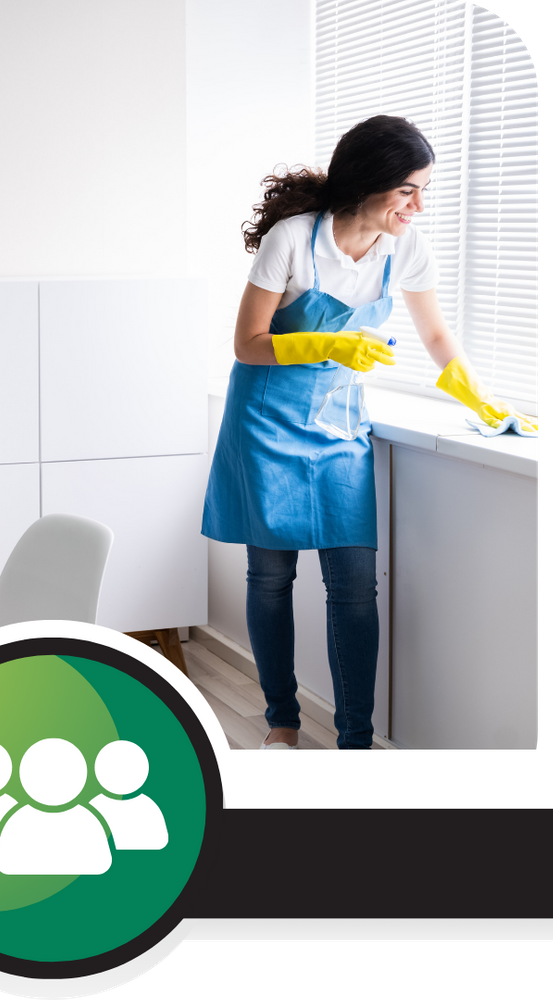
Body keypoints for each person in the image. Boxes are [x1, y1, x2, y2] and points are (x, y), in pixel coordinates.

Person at [201, 116, 538, 750]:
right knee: (270, 580)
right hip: (266, 424)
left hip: (338, 430)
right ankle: (281, 719)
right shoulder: (293, 241)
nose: (418, 206)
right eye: (409, 190)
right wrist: (326, 341)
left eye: (424, 190)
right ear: (369, 183)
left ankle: (355, 739)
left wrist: (481, 395)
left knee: (354, 586)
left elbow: (437, 336)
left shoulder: (405, 247)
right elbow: (248, 344)